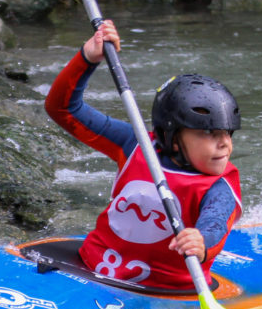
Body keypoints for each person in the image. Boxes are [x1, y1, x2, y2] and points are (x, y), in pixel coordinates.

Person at [45, 20, 242, 290]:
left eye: (228, 133)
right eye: (208, 133)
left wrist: (201, 241)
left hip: (164, 290)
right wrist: (87, 59)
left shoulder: (220, 187)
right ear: (172, 136)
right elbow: (62, 109)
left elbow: (215, 224)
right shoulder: (135, 145)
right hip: (90, 265)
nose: (225, 145)